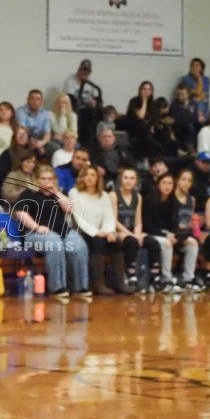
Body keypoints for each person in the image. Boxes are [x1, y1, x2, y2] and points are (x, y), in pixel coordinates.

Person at [14, 165, 90, 298]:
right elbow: (20, 213)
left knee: (79, 246)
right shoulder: (28, 194)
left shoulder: (58, 194)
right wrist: (37, 227)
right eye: (43, 179)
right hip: (34, 233)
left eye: (50, 179)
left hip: (62, 231)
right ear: (37, 179)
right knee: (54, 243)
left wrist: (56, 193)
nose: (47, 182)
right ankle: (57, 287)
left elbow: (69, 209)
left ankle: (80, 287)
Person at [69, 166, 128, 295]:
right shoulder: (75, 193)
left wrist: (109, 231)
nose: (89, 178)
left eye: (93, 175)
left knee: (116, 242)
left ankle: (119, 282)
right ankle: (98, 283)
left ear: (98, 178)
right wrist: (96, 232)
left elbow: (109, 216)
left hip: (102, 232)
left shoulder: (104, 195)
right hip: (83, 232)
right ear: (81, 177)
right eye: (86, 175)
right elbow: (78, 217)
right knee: (98, 242)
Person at [142, 173, 198, 292]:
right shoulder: (149, 199)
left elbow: (174, 224)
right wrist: (165, 235)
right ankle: (166, 279)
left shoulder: (173, 200)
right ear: (158, 185)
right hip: (152, 233)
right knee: (167, 243)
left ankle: (188, 279)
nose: (167, 186)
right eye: (164, 183)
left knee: (192, 243)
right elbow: (148, 226)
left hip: (169, 233)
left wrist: (177, 235)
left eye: (170, 183)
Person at [109, 168, 162, 292]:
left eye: (132, 178)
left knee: (152, 242)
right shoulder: (113, 195)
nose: (128, 181)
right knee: (131, 241)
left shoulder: (137, 196)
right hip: (118, 230)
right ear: (120, 180)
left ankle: (154, 276)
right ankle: (131, 275)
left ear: (136, 181)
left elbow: (138, 221)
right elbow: (114, 220)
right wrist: (131, 235)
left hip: (132, 230)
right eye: (126, 178)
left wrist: (138, 235)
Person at [63, 59, 102, 149]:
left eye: (87, 71)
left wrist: (95, 101)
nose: (85, 72)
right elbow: (70, 98)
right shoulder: (70, 81)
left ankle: (91, 144)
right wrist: (85, 102)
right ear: (79, 69)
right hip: (75, 107)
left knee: (97, 113)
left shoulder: (90, 82)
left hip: (88, 109)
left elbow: (96, 96)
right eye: (83, 70)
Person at [16, 89, 51, 157]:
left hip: (40, 139)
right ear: (27, 100)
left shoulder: (45, 113)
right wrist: (37, 145)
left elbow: (47, 133)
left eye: (38, 99)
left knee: (53, 147)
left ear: (41, 101)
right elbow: (23, 131)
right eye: (32, 99)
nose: (35, 102)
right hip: (25, 139)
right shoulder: (20, 111)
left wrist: (41, 143)